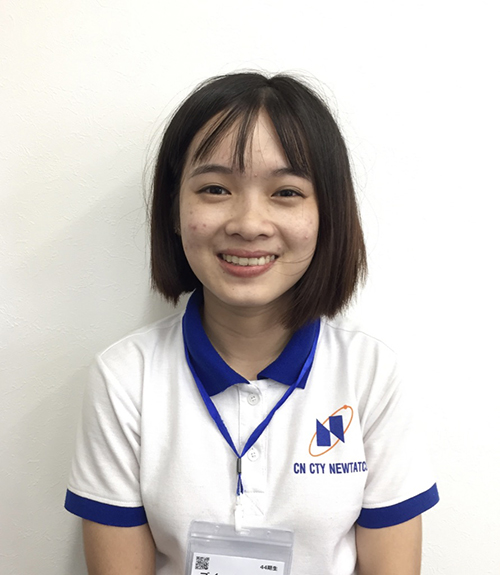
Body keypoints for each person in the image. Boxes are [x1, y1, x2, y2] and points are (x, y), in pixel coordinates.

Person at [65, 72, 439, 575]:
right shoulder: (123, 378)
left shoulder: (371, 374)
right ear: (174, 209)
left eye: (286, 192)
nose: (248, 223)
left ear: (326, 214)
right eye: (215, 188)